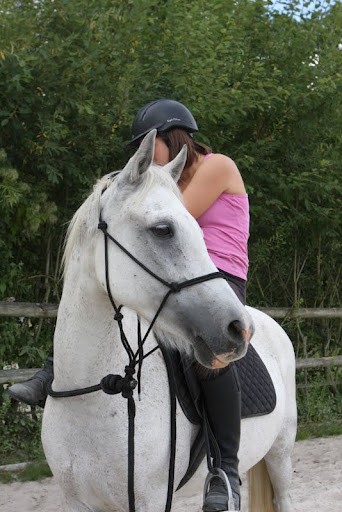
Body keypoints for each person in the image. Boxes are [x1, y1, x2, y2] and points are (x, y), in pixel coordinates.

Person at [8, 99, 249, 512]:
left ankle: (225, 468)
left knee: (209, 361)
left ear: (170, 140)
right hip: (169, 273)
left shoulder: (217, 166)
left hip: (214, 276)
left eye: (145, 144)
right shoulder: (165, 183)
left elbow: (170, 219)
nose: (141, 153)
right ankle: (55, 367)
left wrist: (126, 202)